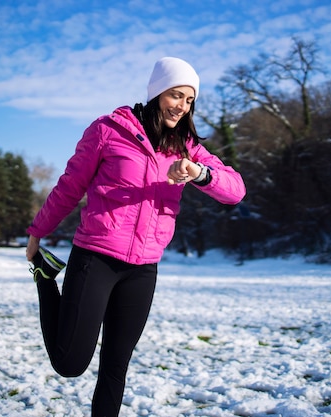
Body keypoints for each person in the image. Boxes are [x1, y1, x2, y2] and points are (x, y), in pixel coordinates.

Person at [26, 56, 246, 416]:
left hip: (143, 269)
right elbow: (69, 187)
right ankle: (45, 279)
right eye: (176, 95)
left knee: (115, 368)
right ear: (158, 92)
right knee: (69, 363)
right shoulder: (108, 130)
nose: (182, 106)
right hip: (95, 257)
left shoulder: (186, 147)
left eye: (189, 100)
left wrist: (199, 172)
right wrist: (38, 230)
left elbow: (235, 190)